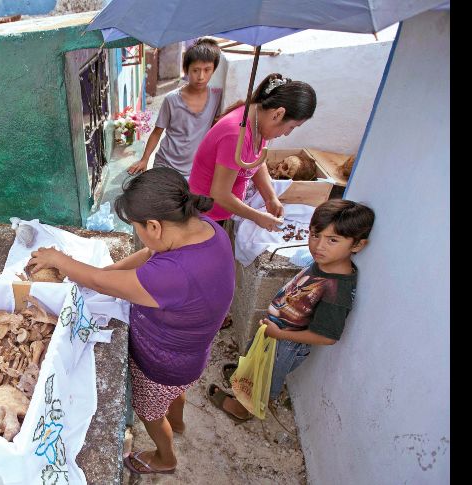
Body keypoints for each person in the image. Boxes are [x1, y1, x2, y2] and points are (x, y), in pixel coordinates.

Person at [27, 167, 235, 475]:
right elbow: (150, 256)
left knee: (150, 412)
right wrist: (109, 274)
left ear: (154, 225)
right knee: (174, 393)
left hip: (162, 364)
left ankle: (166, 458)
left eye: (136, 227)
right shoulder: (202, 228)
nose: (138, 234)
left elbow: (107, 282)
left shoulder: (174, 274)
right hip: (191, 356)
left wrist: (60, 260)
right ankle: (176, 421)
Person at [207, 199, 375, 421]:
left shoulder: (337, 290)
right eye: (315, 235)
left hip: (286, 344)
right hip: (276, 334)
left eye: (332, 240)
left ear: (357, 245)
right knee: (257, 366)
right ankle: (246, 379)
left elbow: (327, 337)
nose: (318, 246)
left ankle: (243, 410)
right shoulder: (324, 261)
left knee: (266, 381)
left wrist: (280, 334)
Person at [188, 73, 317, 230]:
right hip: (204, 216)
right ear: (278, 114)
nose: (287, 133)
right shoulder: (236, 135)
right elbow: (220, 194)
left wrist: (270, 197)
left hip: (221, 212)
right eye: (291, 127)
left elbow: (254, 161)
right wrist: (257, 217)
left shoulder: (258, 121)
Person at [127, 38, 221, 179]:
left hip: (195, 171)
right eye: (195, 70)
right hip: (166, 166)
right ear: (186, 70)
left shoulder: (217, 97)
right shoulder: (172, 99)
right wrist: (145, 159)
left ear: (214, 70)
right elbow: (157, 132)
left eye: (207, 70)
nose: (201, 76)